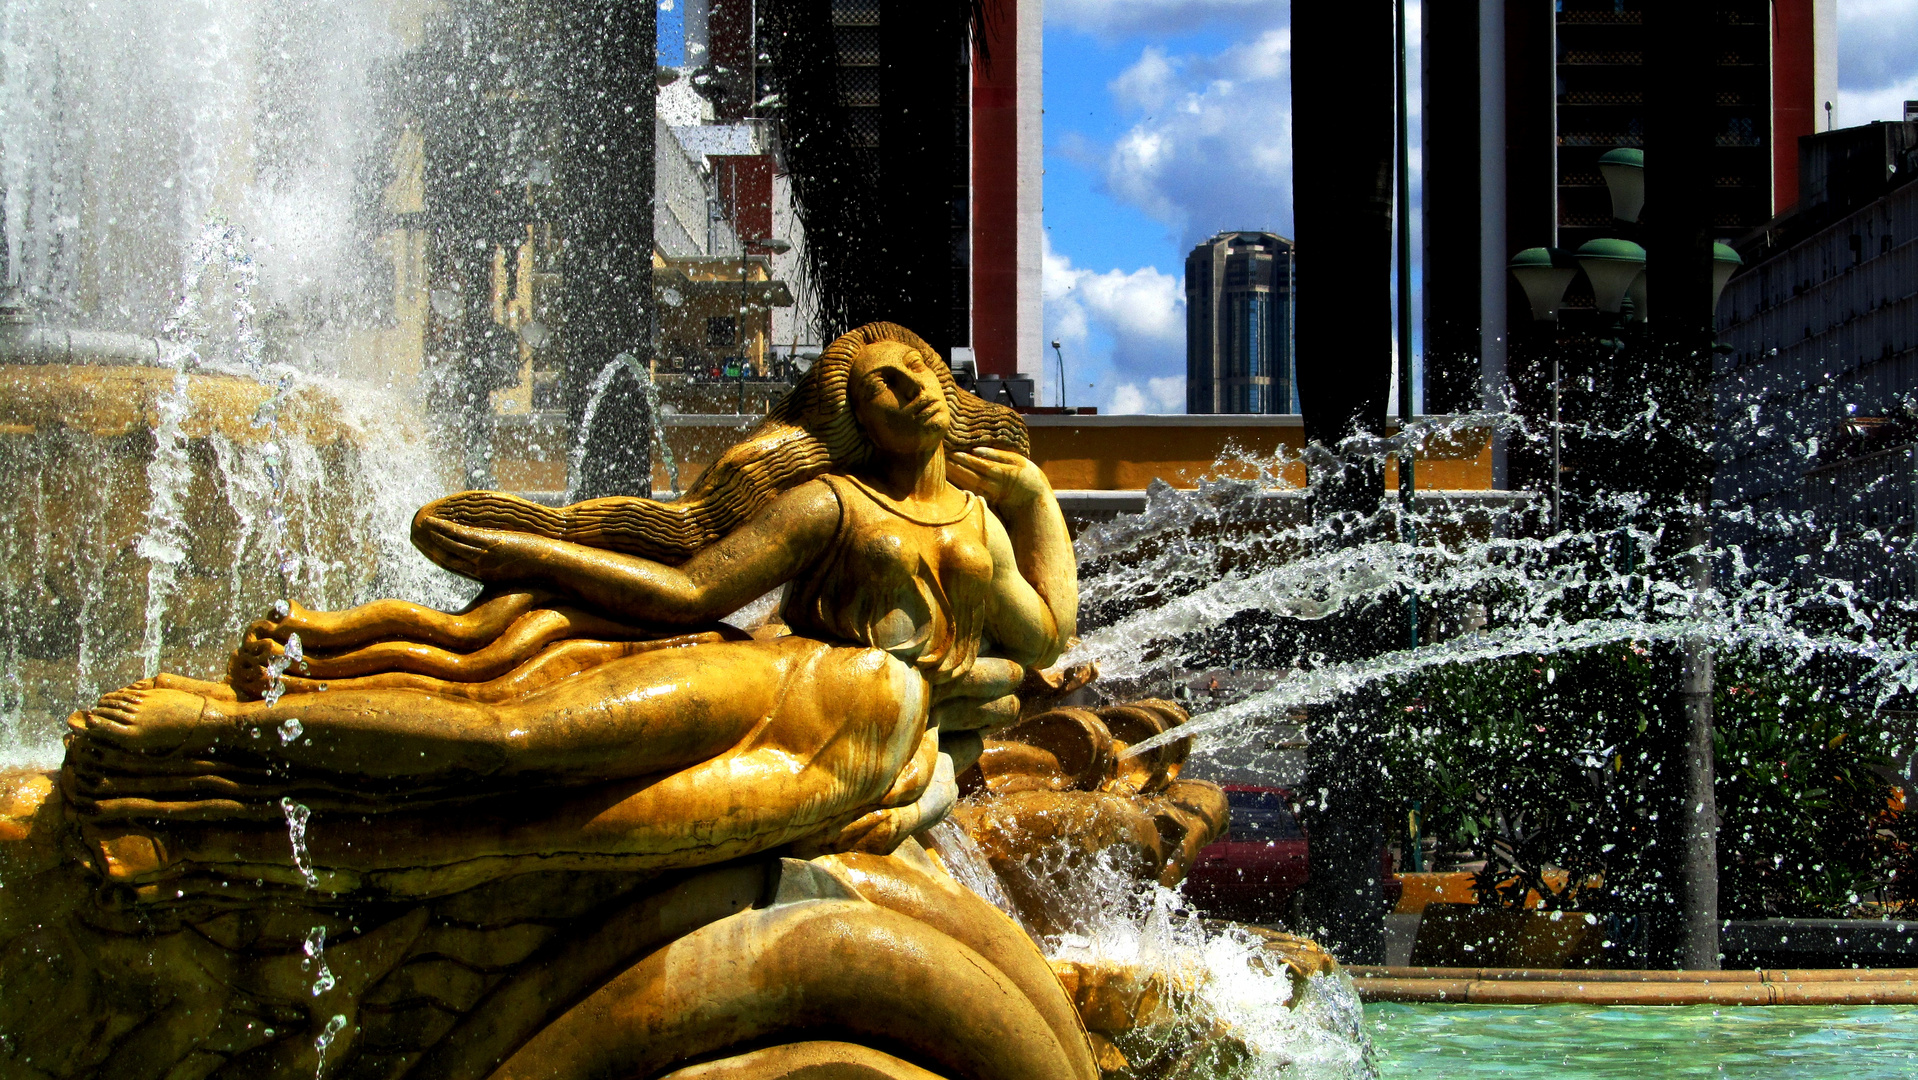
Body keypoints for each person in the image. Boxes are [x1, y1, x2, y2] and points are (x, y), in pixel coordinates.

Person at [63, 322, 1077, 896]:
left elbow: (1045, 643)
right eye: (880, 385)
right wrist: (531, 546)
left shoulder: (985, 530)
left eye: (920, 372)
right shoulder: (830, 502)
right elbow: (688, 588)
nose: (908, 391)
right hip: (788, 681)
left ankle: (210, 847)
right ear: (848, 420)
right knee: (511, 736)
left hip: (869, 744)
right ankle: (222, 726)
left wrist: (1033, 501)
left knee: (533, 835)